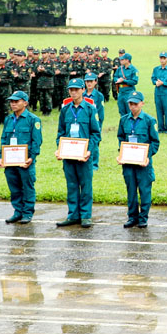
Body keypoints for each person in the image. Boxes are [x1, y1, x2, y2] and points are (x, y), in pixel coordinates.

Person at [55, 77, 102, 228]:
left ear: (83, 90)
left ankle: (86, 215)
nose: (74, 92)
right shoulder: (65, 110)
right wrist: (59, 148)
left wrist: (89, 150)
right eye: (71, 90)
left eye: (76, 89)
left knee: (85, 185)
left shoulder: (90, 109)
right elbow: (61, 132)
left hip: (84, 156)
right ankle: (73, 215)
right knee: (72, 185)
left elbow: (96, 133)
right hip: (68, 155)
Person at [116, 91, 160, 229]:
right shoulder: (123, 120)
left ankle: (143, 217)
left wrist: (147, 156)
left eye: (136, 103)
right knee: (131, 190)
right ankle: (132, 216)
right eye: (130, 103)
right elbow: (121, 138)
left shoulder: (149, 120)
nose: (133, 106)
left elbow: (155, 142)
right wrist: (121, 153)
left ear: (142, 103)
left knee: (144, 189)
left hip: (143, 163)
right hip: (128, 162)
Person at [0, 90, 40, 224]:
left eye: (16, 101)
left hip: (25, 160)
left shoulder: (33, 120)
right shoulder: (9, 119)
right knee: (14, 186)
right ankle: (18, 211)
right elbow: (4, 138)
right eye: (11, 101)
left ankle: (27, 213)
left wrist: (32, 157)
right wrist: (1, 156)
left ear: (25, 103)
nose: (13, 104)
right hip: (10, 160)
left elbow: (36, 141)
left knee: (27, 186)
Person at [151, 53, 167, 134]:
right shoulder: (156, 69)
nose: (162, 60)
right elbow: (153, 78)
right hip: (158, 93)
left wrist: (163, 83)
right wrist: (155, 82)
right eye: (161, 58)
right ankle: (160, 128)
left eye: (164, 58)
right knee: (159, 110)